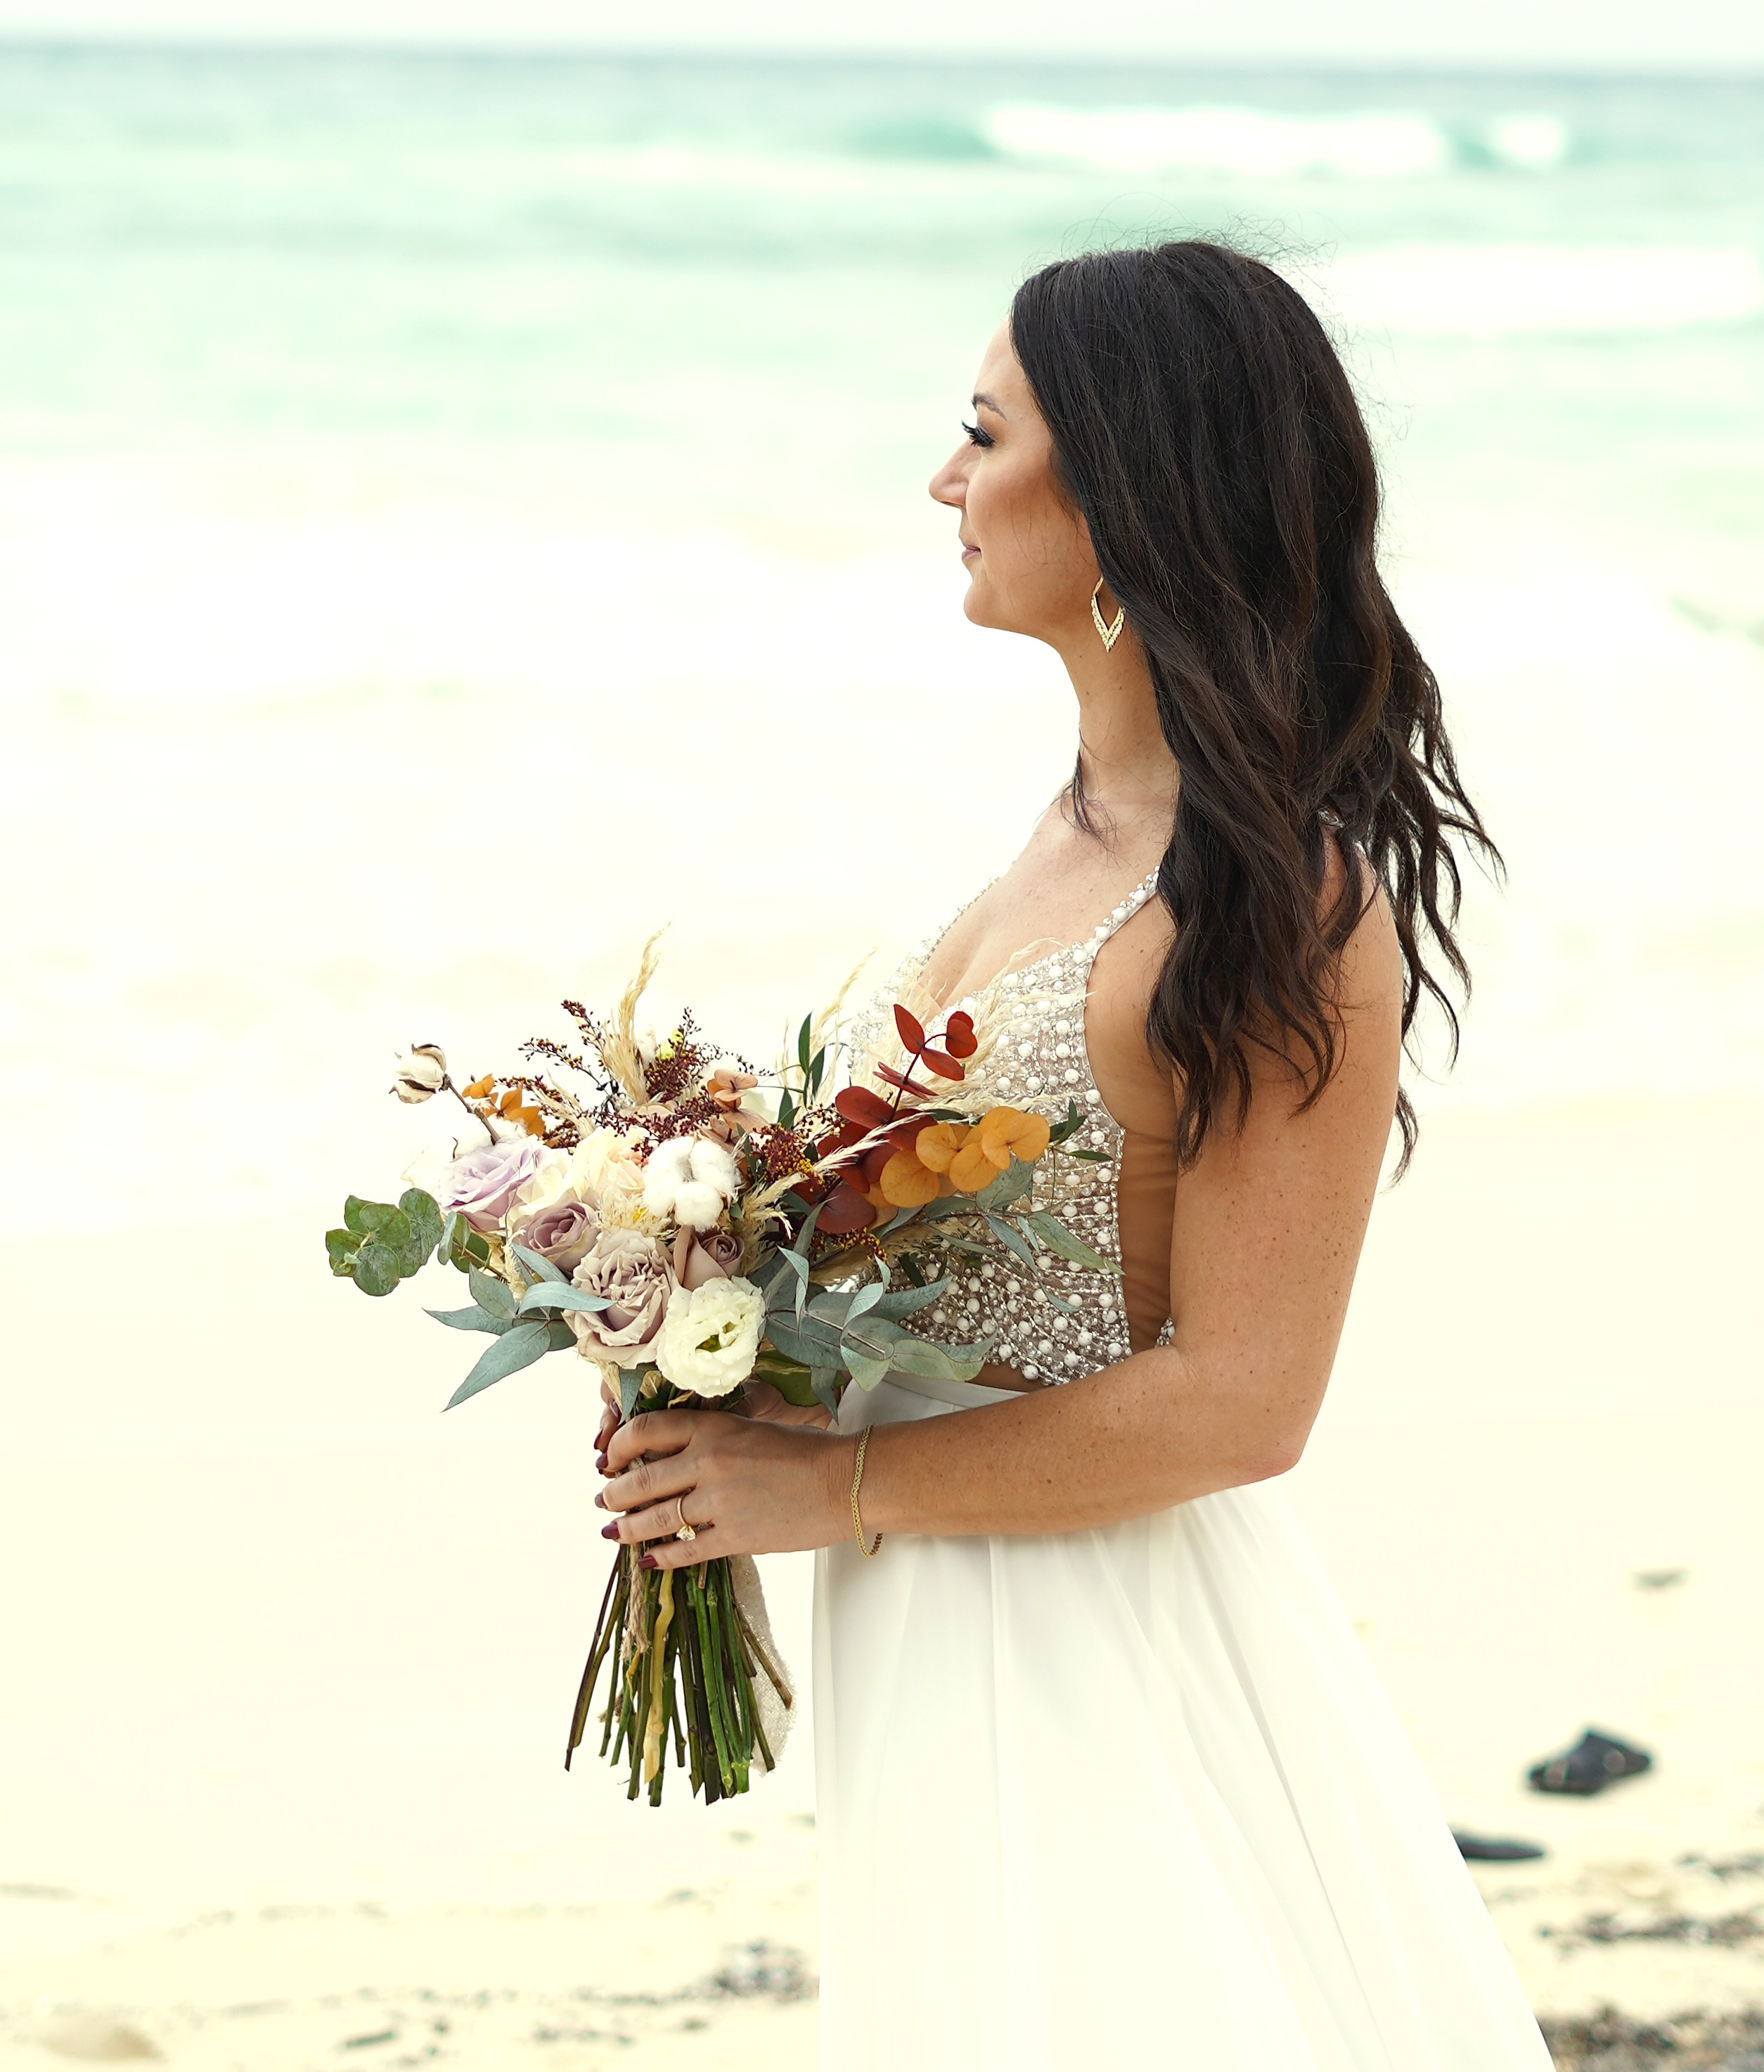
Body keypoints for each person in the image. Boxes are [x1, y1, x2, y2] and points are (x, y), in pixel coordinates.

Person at [595, 240, 1552, 2068]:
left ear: (1125, 482)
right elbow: (934, 1247)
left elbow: (1246, 1401)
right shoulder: (1064, 831)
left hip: (1082, 1633)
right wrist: (721, 1368)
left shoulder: (1279, 898)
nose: (942, 480)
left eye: (982, 433)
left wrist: (832, 1495)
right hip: (934, 1605)